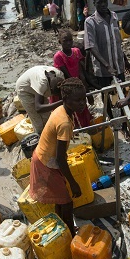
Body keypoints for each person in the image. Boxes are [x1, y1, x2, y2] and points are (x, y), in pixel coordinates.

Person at [29, 78, 88, 235]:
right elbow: (61, 159)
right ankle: (69, 234)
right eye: (78, 100)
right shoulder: (64, 123)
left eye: (84, 98)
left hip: (44, 158)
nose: (83, 103)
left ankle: (63, 227)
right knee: (67, 202)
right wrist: (73, 183)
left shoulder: (62, 110)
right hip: (47, 164)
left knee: (59, 198)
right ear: (66, 99)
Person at [84, 0, 130, 90]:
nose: (103, 5)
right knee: (108, 99)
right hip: (103, 72)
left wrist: (125, 59)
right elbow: (91, 47)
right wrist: (107, 66)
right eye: (99, 2)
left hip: (119, 67)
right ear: (94, 4)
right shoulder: (90, 22)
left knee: (121, 96)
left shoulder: (114, 16)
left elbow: (117, 42)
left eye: (105, 1)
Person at [53, 29, 92, 127]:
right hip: (68, 87)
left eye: (70, 40)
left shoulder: (76, 51)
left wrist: (86, 91)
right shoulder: (59, 56)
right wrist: (78, 88)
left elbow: (81, 72)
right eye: (65, 41)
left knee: (82, 108)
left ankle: (86, 130)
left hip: (78, 85)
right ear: (60, 41)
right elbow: (66, 75)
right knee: (72, 111)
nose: (68, 43)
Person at [15, 65, 65, 134]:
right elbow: (38, 108)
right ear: (50, 89)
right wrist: (61, 102)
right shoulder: (42, 84)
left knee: (47, 117)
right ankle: (41, 139)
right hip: (25, 89)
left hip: (35, 82)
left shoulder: (60, 75)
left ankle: (51, 136)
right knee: (38, 122)